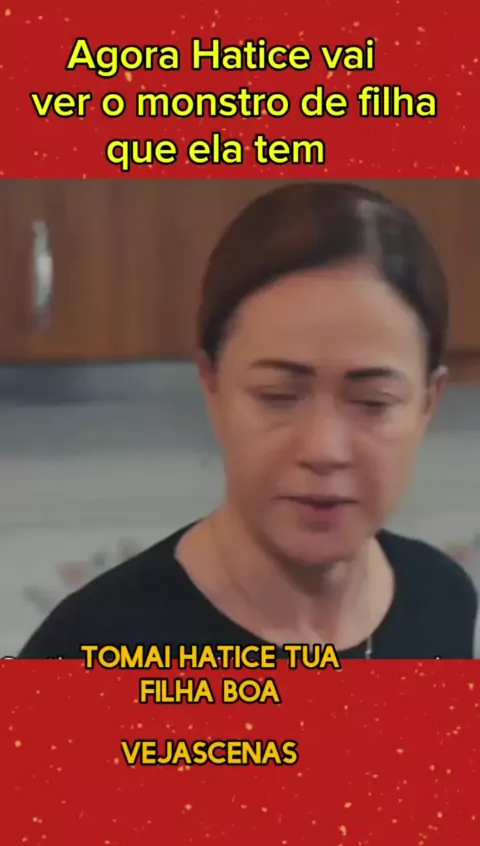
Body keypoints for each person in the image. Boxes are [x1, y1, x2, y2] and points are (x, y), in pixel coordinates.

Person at [20, 182, 478, 659]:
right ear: (212, 386)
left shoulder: (441, 599)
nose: (323, 449)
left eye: (373, 402)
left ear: (427, 404)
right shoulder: (90, 648)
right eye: (278, 396)